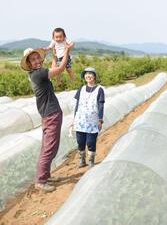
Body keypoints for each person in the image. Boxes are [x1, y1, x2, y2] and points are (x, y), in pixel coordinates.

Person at [20, 43, 71, 192]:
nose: (37, 61)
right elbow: (60, 69)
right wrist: (66, 49)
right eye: (33, 60)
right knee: (49, 149)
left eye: (38, 58)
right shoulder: (38, 74)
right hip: (51, 114)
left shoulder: (37, 73)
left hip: (48, 114)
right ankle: (40, 181)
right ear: (28, 64)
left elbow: (53, 68)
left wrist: (54, 55)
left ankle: (46, 175)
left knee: (49, 147)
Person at [71, 67, 105, 169]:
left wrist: (100, 120)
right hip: (80, 120)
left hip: (92, 121)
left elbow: (101, 105)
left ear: (94, 76)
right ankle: (82, 161)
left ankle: (91, 161)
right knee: (80, 142)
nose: (88, 76)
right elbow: (77, 105)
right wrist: (74, 119)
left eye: (90, 74)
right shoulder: (81, 89)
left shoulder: (99, 90)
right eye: (86, 74)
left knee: (91, 142)